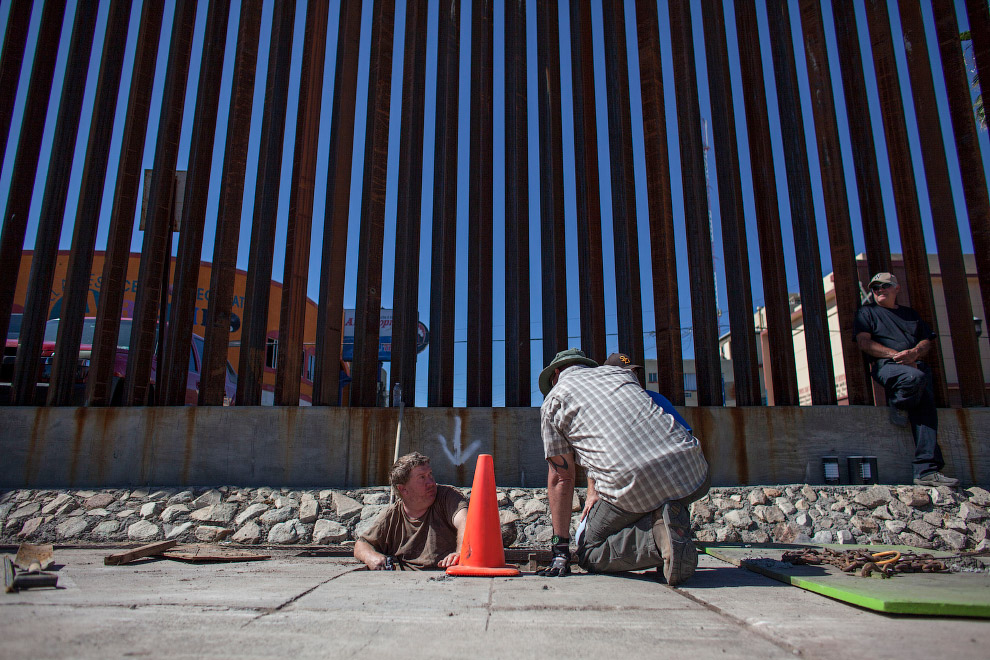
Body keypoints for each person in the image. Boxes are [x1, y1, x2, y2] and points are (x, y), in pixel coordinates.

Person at [537, 348, 710, 585]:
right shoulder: (620, 375)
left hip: (633, 485)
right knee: (655, 495)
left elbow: (561, 479)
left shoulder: (553, 401)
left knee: (588, 551)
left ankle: (659, 543)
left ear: (555, 374)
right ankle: (668, 522)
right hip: (694, 472)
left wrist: (560, 549)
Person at [854, 272, 958, 487]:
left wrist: (915, 353)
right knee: (915, 377)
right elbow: (864, 343)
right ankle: (899, 402)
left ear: (896, 288)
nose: (880, 291)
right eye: (875, 288)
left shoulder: (910, 314)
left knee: (926, 417)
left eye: (885, 286)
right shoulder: (867, 313)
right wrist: (897, 356)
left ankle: (926, 471)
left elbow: (927, 340)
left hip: (916, 367)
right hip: (889, 367)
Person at [354, 452, 469, 570]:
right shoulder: (393, 515)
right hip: (407, 582)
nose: (431, 483)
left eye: (430, 475)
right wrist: (372, 557)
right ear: (403, 489)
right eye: (422, 477)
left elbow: (465, 522)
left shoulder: (447, 497)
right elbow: (361, 545)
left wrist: (461, 553)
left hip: (449, 577)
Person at [603, 352, 692, 434]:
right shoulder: (601, 401)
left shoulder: (655, 398)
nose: (632, 376)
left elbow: (685, 432)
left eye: (634, 373)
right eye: (625, 373)